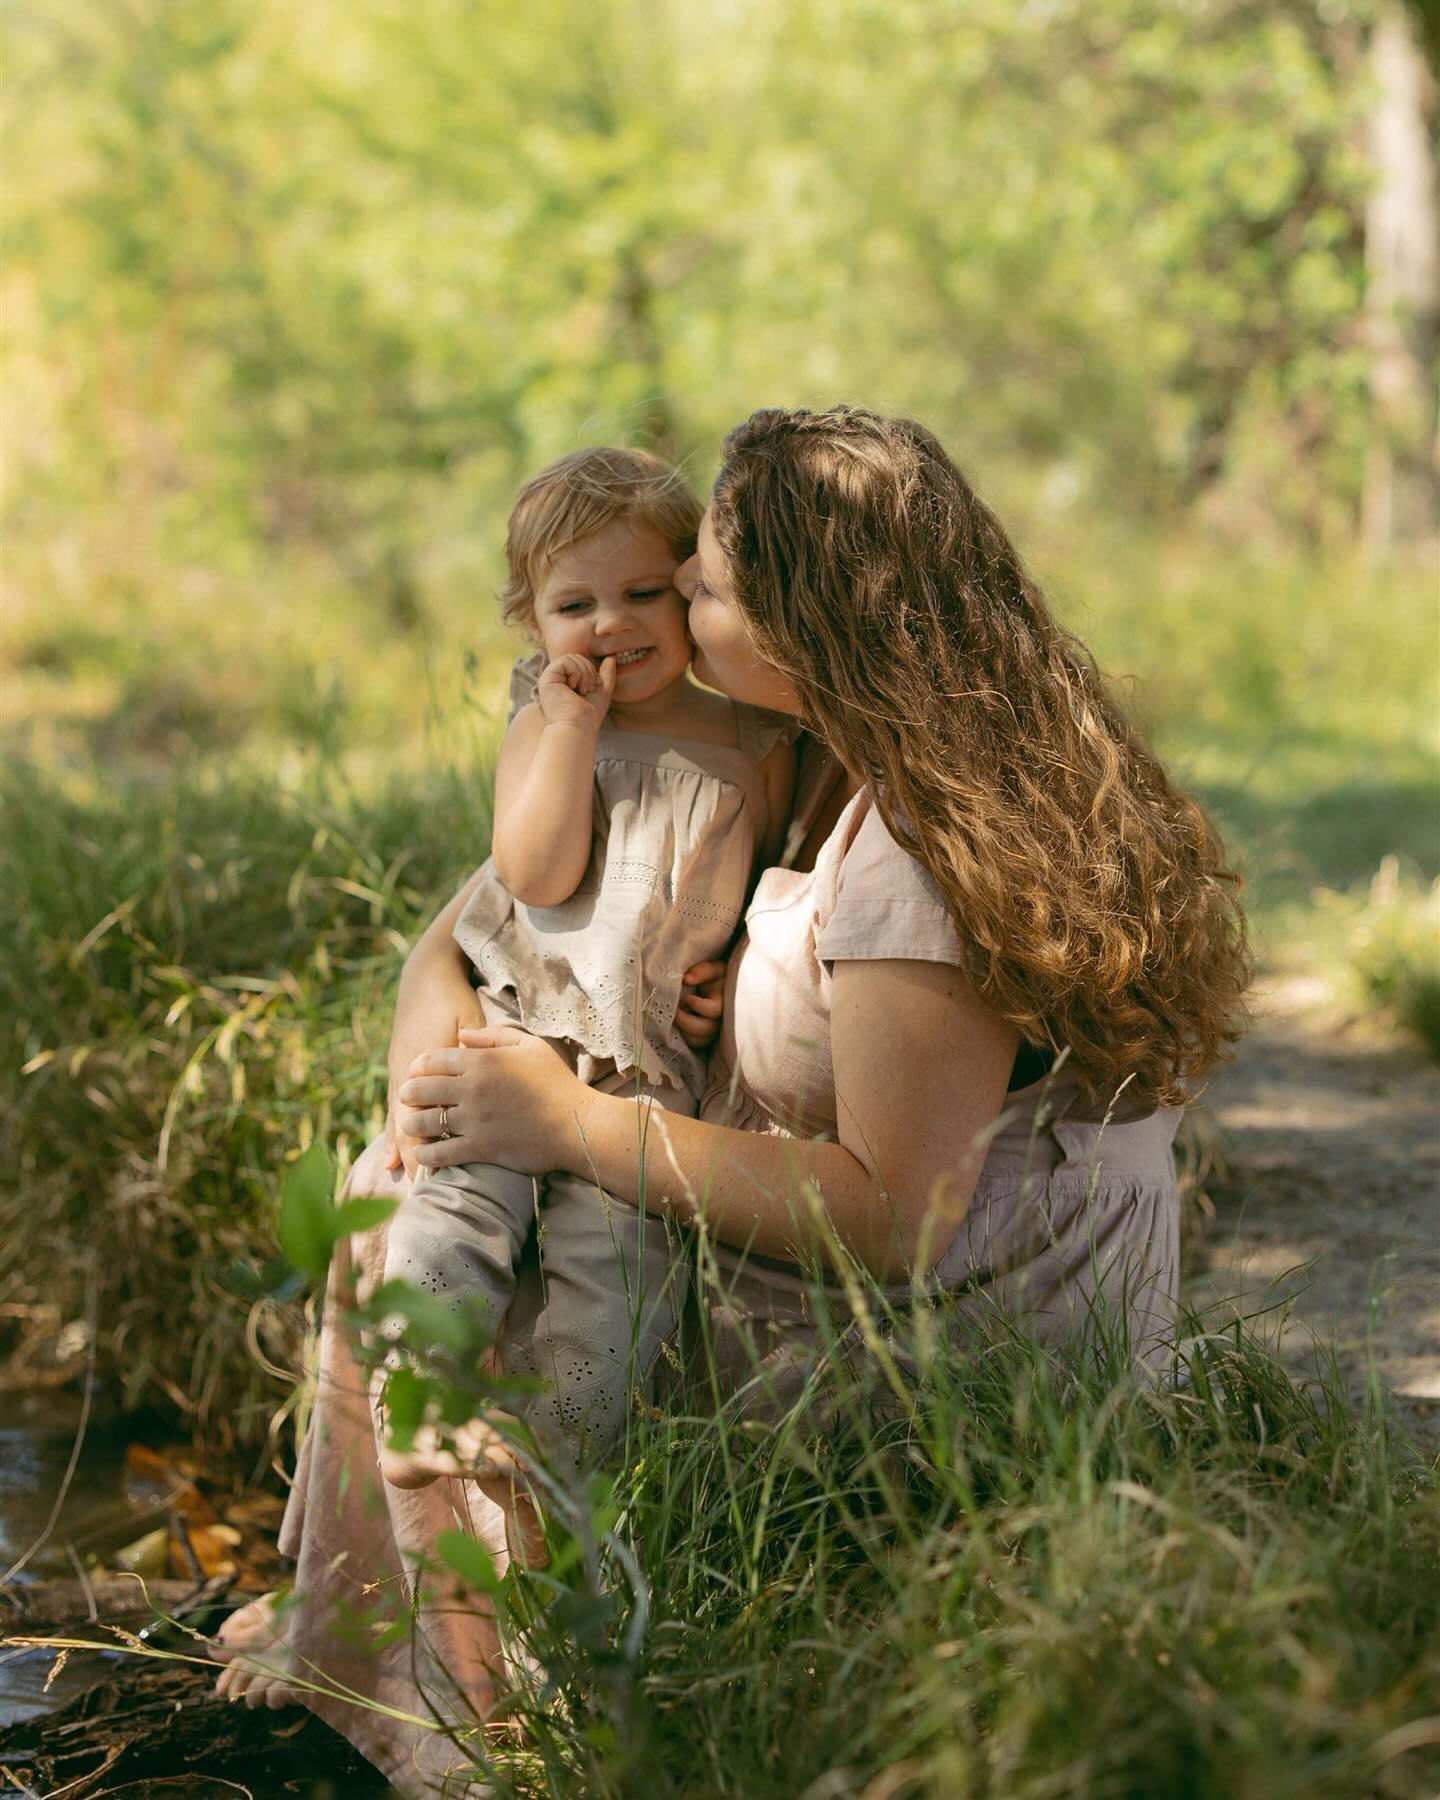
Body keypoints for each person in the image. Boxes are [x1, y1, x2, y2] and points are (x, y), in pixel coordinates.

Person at [210, 408, 1249, 1799]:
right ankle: (374, 1631)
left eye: (697, 583)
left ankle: (485, 1713)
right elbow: (485, 917)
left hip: (924, 1360)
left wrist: (572, 1127)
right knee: (410, 1165)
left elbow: (898, 1221)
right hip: (847, 1270)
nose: (671, 611)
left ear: (805, 619)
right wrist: (438, 1008)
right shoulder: (845, 757)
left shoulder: (921, 863)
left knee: (436, 1226)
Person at [369, 446, 794, 1508]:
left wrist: (729, 966)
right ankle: (414, 1404)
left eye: (644, 593)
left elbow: (764, 884)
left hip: (646, 1066)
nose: (612, 626)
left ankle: (557, 1455)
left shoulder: (756, 735)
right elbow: (536, 869)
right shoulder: (543, 722)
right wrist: (570, 734)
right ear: (531, 623)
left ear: (692, 590)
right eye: (576, 605)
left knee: (619, 1264)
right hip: (517, 1034)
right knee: (460, 1209)